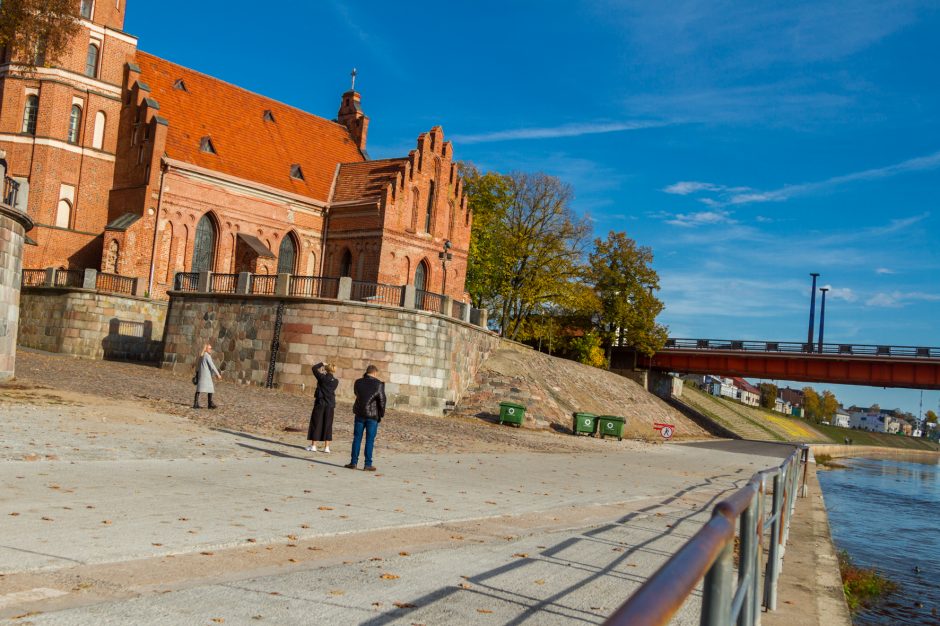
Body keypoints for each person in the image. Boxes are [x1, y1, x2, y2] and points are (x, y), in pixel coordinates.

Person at [346, 364, 386, 471]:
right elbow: (382, 401)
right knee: (369, 440)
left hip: (359, 413)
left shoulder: (358, 382)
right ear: (374, 373)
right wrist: (381, 414)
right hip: (372, 416)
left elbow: (356, 393)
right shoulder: (379, 384)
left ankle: (353, 462)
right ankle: (367, 464)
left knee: (357, 438)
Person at [306, 362, 338, 453]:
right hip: (330, 404)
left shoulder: (322, 377)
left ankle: (314, 446)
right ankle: (327, 447)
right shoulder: (336, 381)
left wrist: (322, 364)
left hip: (320, 403)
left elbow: (313, 368)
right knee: (328, 425)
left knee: (316, 423)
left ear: (326, 369)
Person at [193, 343, 222, 409]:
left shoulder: (202, 356)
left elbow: (198, 365)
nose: (210, 350)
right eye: (209, 348)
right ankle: (210, 403)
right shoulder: (207, 356)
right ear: (206, 349)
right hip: (206, 376)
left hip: (201, 375)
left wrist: (197, 373)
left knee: (199, 389)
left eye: (211, 348)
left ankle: (196, 403)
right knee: (210, 389)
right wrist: (218, 374)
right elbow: (212, 365)